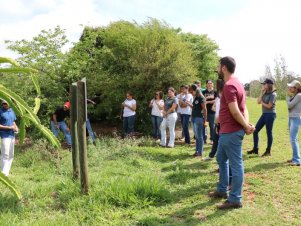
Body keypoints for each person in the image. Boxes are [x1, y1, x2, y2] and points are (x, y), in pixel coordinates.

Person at [208, 56, 255, 210]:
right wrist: (246, 124)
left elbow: (236, 111)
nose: (217, 68)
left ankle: (235, 199)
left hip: (231, 132)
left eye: (218, 66)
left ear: (224, 68)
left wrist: (244, 126)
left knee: (236, 164)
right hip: (226, 131)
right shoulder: (239, 84)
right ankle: (222, 190)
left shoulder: (229, 86)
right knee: (221, 158)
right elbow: (244, 108)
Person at [248, 78, 277, 156]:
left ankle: (268, 151)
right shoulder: (265, 93)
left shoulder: (273, 94)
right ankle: (255, 149)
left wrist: (262, 103)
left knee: (269, 132)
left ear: (269, 85)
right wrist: (261, 92)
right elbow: (258, 102)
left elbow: (269, 106)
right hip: (264, 114)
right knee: (255, 130)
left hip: (270, 115)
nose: (263, 85)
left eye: (264, 84)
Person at [205, 79, 224, 160]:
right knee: (216, 140)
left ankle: (219, 156)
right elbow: (213, 108)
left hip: (223, 122)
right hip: (218, 122)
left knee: (222, 141)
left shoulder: (224, 97)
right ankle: (211, 155)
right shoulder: (218, 98)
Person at [0, 99, 18, 176]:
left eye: (6, 104)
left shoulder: (12, 111)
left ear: (9, 104)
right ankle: (3, 173)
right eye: (3, 103)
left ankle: (7, 171)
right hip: (4, 135)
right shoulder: (0, 111)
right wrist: (9, 128)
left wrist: (16, 127)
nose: (5, 105)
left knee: (11, 154)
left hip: (12, 135)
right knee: (5, 154)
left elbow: (13, 121)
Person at [188, 85, 207, 157]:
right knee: (196, 136)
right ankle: (197, 151)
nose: (191, 93)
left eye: (191, 91)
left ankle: (200, 152)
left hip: (199, 118)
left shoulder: (201, 98)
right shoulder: (196, 97)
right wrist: (188, 104)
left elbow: (205, 109)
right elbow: (194, 107)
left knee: (199, 136)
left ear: (195, 90)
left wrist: (205, 120)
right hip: (193, 118)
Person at [286, 80, 301, 166]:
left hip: (295, 118)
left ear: (296, 88)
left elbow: (289, 105)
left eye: (291, 87)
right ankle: (295, 157)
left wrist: (287, 97)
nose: (289, 88)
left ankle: (297, 160)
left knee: (293, 139)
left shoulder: (298, 95)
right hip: (292, 118)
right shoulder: (296, 95)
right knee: (294, 139)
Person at [202, 80, 217, 145]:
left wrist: (208, 102)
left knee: (212, 126)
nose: (209, 84)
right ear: (206, 84)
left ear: (212, 84)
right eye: (208, 83)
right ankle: (204, 139)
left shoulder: (215, 92)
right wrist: (207, 97)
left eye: (211, 83)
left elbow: (216, 100)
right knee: (204, 125)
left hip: (212, 112)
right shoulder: (203, 92)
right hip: (204, 111)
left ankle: (212, 139)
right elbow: (202, 100)